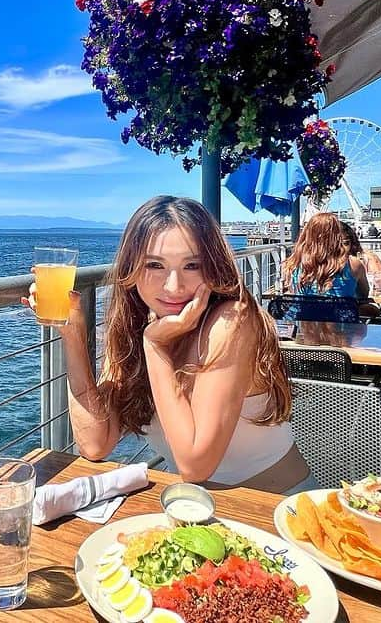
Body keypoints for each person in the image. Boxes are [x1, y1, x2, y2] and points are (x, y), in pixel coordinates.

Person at [23, 195, 315, 494]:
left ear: (213, 266)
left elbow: (196, 465)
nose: (173, 286)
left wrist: (155, 346)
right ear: (131, 268)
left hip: (273, 511)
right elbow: (95, 444)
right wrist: (72, 335)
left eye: (191, 265)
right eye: (154, 265)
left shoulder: (231, 320)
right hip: (192, 509)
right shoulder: (136, 324)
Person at [283, 213, 370, 300]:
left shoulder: (294, 263)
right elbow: (364, 294)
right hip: (338, 313)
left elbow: (292, 292)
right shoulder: (353, 264)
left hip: (301, 313)